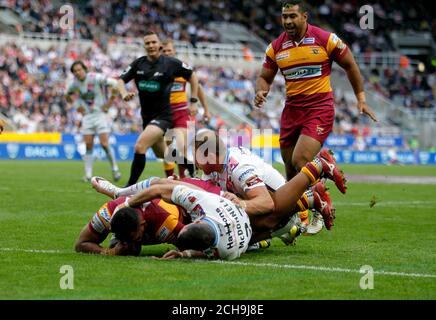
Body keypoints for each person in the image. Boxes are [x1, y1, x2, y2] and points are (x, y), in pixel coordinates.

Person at [109, 149, 346, 260]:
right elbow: (161, 186)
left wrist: (124, 198)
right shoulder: (205, 191)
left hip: (270, 197)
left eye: (199, 158)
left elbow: (265, 203)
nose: (197, 164)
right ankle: (310, 197)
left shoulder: (238, 169)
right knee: (263, 227)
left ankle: (317, 168)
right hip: (235, 216)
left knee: (271, 217)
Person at [254, 1, 377, 181]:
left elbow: (350, 65)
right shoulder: (275, 47)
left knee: (300, 160)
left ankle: (324, 165)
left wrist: (361, 98)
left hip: (319, 109)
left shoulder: (326, 39)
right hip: (291, 111)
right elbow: (264, 77)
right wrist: (260, 91)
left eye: (292, 16)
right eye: (284, 16)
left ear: (304, 16)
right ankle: (304, 208)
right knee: (290, 170)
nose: (287, 21)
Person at [117, 32, 199, 186]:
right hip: (147, 117)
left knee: (140, 146)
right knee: (163, 154)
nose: (151, 46)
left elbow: (192, 75)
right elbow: (121, 80)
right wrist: (123, 94)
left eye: (153, 42)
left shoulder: (171, 63)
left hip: (163, 116)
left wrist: (193, 101)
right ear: (144, 46)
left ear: (159, 45)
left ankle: (128, 188)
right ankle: (188, 164)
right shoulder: (138, 64)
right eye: (147, 43)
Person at [74, 195, 190, 256]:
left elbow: (204, 244)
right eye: (123, 240)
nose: (128, 245)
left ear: (142, 225)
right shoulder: (107, 214)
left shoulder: (164, 222)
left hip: (184, 209)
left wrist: (184, 253)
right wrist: (107, 252)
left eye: (135, 238)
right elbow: (81, 244)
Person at [161, 39, 211, 178]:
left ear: (174, 52)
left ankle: (183, 179)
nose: (166, 53)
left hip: (181, 112)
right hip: (164, 114)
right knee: (168, 151)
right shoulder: (157, 71)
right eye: (164, 51)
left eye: (169, 50)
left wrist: (205, 109)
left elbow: (198, 87)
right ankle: (170, 180)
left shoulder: (182, 68)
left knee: (179, 144)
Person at [65, 60, 121, 182]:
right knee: (88, 145)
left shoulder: (95, 78)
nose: (78, 72)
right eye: (75, 71)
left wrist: (110, 102)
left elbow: (115, 83)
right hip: (87, 116)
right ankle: (88, 175)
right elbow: (67, 95)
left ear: (85, 69)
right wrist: (75, 105)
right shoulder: (74, 84)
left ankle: (115, 169)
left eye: (79, 69)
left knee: (104, 144)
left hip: (100, 114)